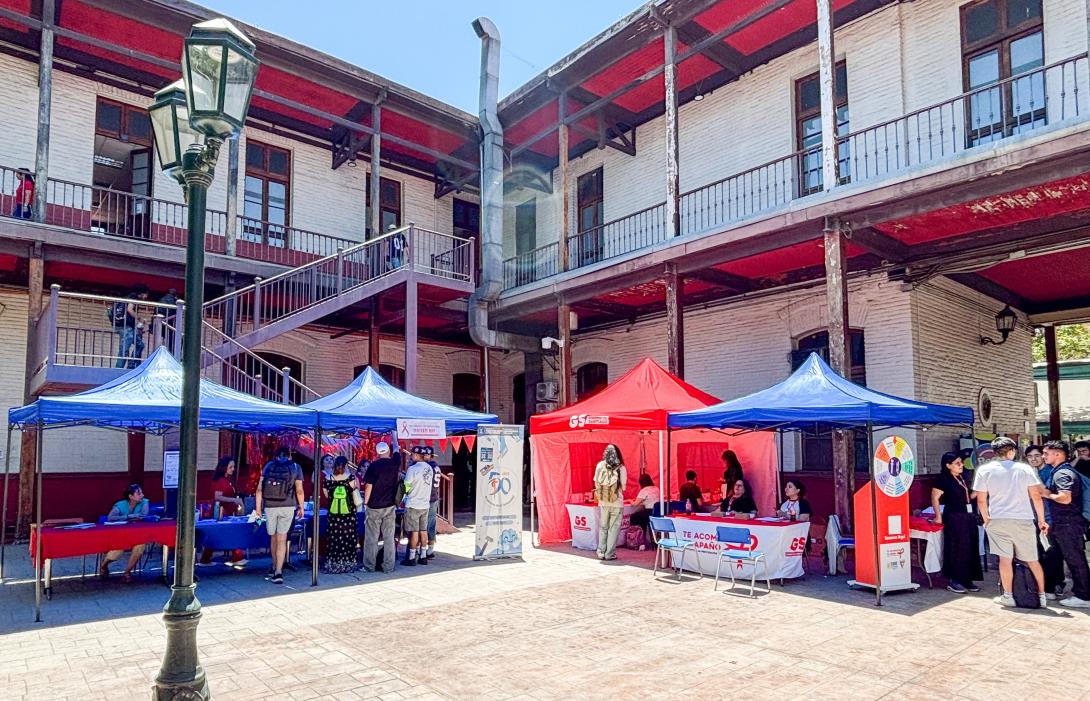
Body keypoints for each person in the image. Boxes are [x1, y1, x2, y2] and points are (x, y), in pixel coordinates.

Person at [973, 436, 1049, 608]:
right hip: (1024, 519)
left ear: (994, 452)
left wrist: (986, 520)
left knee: (1004, 560)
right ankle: (1042, 596)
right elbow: (1036, 497)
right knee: (1032, 559)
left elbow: (981, 500)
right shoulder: (1024, 469)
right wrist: (1041, 520)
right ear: (1012, 451)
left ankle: (1008, 596)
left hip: (997, 519)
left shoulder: (984, 470)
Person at [1040, 440, 1090, 608]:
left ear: (1058, 454)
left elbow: (1065, 497)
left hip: (1068, 523)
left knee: (1075, 559)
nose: (1043, 456)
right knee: (1060, 557)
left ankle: (1083, 596)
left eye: (1046, 453)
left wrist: (1047, 495)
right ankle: (1055, 589)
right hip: (1064, 523)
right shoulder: (1061, 471)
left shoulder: (1062, 474)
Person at [930, 452, 982, 594]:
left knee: (970, 546)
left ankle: (967, 578)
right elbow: (935, 498)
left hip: (968, 516)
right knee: (956, 547)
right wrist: (938, 516)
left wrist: (978, 490)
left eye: (961, 463)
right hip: (954, 516)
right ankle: (954, 579)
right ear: (948, 465)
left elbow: (969, 497)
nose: (961, 465)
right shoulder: (943, 479)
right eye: (957, 463)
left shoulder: (963, 478)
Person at [254, 447, 305, 585]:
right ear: (289, 456)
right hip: (288, 505)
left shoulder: (268, 466)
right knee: (282, 538)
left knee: (273, 537)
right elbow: (299, 490)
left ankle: (274, 565)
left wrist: (258, 509)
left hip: (270, 506)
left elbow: (259, 489)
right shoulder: (295, 467)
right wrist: (301, 507)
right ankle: (278, 572)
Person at [1026, 443, 1065, 598]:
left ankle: (1054, 585)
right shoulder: (1029, 472)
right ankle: (1047, 583)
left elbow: (1043, 492)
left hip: (1049, 518)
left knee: (1051, 552)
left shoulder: (1049, 471)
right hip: (1034, 517)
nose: (1034, 459)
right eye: (1030, 456)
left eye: (1037, 455)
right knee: (1041, 552)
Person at [198, 456, 246, 566]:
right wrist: (234, 500)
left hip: (225, 511)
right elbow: (217, 496)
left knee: (215, 535)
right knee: (230, 533)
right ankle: (237, 556)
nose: (233, 469)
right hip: (221, 512)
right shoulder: (221, 481)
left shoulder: (224, 480)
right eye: (231, 467)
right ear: (224, 467)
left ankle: (206, 558)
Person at [99, 484, 149, 583]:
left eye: (142, 493)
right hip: (119, 535)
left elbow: (143, 516)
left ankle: (127, 572)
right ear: (130, 496)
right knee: (117, 552)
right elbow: (111, 518)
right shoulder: (120, 505)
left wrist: (133, 517)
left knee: (140, 547)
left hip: (136, 534)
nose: (142, 495)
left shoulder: (144, 502)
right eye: (139, 493)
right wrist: (130, 516)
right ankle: (104, 565)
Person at [362, 442, 399, 573]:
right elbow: (396, 448)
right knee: (389, 537)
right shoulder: (395, 463)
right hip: (390, 505)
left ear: (377, 452)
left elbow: (368, 486)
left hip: (374, 506)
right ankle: (389, 567)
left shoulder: (373, 466)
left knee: (372, 537)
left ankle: (369, 566)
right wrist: (394, 434)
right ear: (388, 451)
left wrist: (365, 503)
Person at [322, 454, 361, 574]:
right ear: (345, 465)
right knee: (348, 539)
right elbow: (356, 492)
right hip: (348, 515)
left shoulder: (328, 478)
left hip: (334, 515)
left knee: (334, 540)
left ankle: (333, 565)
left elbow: (326, 495)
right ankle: (347, 564)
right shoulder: (351, 478)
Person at [592, 444, 627, 561]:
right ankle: (609, 554)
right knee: (613, 529)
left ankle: (601, 552)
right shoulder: (621, 467)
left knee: (603, 527)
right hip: (617, 502)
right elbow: (624, 487)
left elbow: (596, 482)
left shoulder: (600, 465)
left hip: (603, 501)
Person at [402, 446, 434, 566]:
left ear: (416, 455)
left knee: (414, 531)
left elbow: (406, 486)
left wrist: (402, 497)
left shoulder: (412, 469)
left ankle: (411, 557)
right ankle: (423, 556)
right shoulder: (429, 468)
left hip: (413, 503)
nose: (411, 456)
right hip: (425, 504)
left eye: (412, 454)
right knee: (423, 530)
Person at [111, 284, 148, 369]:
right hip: (126, 327)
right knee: (124, 350)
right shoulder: (133, 297)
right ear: (142, 293)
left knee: (140, 345)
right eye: (146, 294)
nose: (146, 297)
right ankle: (118, 370)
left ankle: (131, 365)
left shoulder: (128, 297)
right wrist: (140, 319)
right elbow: (129, 309)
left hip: (127, 327)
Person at [422, 446, 441, 560]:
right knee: (431, 524)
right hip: (434, 497)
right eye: (424, 455)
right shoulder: (436, 466)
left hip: (428, 498)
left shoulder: (427, 467)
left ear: (431, 456)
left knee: (425, 525)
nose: (424, 457)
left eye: (427, 455)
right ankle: (430, 548)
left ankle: (425, 549)